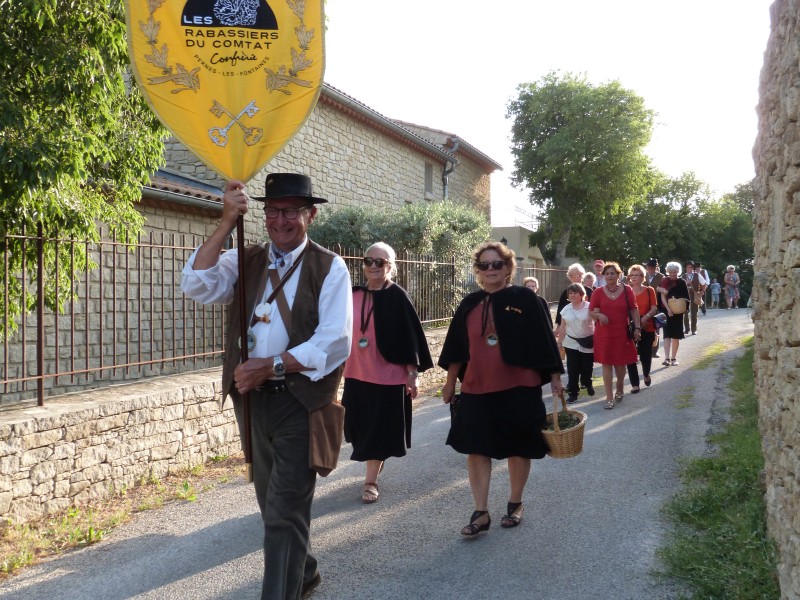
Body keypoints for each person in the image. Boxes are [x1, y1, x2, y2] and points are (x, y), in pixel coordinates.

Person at [181, 173, 352, 600]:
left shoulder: (330, 267)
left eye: (291, 211)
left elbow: (334, 342)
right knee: (271, 504)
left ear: (310, 215)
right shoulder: (246, 257)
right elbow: (196, 284)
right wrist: (224, 222)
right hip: (253, 404)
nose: (281, 220)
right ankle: (306, 570)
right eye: (273, 210)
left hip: (301, 402)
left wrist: (271, 366)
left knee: (283, 511)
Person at [439, 242, 564, 536]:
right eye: (484, 265)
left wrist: (556, 376)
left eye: (497, 264)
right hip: (476, 388)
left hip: (520, 386)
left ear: (508, 268)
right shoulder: (469, 303)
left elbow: (545, 338)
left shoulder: (526, 298)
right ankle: (480, 512)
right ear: (478, 270)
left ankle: (515, 502)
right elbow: (456, 347)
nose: (491, 269)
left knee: (519, 446)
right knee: (476, 448)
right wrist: (449, 382)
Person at [342, 242, 433, 504]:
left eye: (380, 262)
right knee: (356, 429)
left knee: (377, 430)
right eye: (369, 260)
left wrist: (412, 375)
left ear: (391, 266)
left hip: (387, 377)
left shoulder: (397, 296)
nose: (373, 266)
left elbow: (410, 339)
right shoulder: (352, 294)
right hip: (355, 374)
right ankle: (375, 461)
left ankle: (370, 481)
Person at [589, 261, 640, 409]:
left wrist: (637, 328)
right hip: (604, 334)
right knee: (606, 364)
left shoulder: (627, 290)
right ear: (603, 276)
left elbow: (634, 310)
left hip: (622, 332)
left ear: (619, 275)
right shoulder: (598, 292)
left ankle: (619, 387)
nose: (609, 276)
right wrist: (599, 316)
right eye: (607, 273)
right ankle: (609, 398)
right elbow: (591, 311)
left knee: (620, 364)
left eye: (613, 273)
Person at [554, 283, 594, 403]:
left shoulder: (589, 307)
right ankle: (573, 392)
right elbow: (562, 327)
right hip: (571, 342)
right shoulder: (566, 309)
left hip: (588, 342)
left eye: (575, 293)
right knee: (572, 369)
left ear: (582, 295)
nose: (572, 295)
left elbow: (597, 323)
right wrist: (560, 342)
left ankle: (587, 382)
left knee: (586, 368)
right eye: (570, 293)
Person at [626, 264, 658, 390]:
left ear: (642, 277)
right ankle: (634, 384)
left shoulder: (650, 290)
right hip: (630, 327)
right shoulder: (626, 291)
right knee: (630, 354)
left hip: (648, 326)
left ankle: (646, 374)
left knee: (646, 354)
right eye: (632, 275)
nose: (634, 277)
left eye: (637, 275)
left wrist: (645, 317)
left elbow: (654, 308)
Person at [656, 261, 690, 366]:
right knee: (667, 335)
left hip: (678, 312)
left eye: (675, 272)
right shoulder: (664, 281)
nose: (673, 274)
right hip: (666, 311)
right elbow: (662, 297)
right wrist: (668, 309)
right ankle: (666, 358)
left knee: (676, 336)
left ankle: (674, 358)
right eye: (671, 272)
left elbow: (686, 297)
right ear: (667, 272)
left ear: (678, 272)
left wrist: (685, 308)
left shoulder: (682, 282)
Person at [555, 263, 592, 330]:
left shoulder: (589, 291)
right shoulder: (565, 292)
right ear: (570, 278)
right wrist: (559, 326)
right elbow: (561, 309)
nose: (576, 278)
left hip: (586, 324)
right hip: (570, 324)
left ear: (582, 276)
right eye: (573, 276)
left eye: (578, 275)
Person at [644, 258, 664, 358]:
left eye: (653, 268)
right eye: (649, 268)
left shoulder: (661, 277)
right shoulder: (644, 276)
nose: (650, 270)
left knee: (656, 327)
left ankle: (654, 350)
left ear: (656, 268)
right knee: (645, 327)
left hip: (657, 305)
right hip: (644, 304)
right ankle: (644, 350)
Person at [682, 261, 707, 335]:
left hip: (695, 295)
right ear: (686, 268)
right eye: (688, 267)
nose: (689, 268)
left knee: (694, 312)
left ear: (693, 268)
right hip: (685, 295)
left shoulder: (697, 275)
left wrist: (702, 291)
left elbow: (704, 283)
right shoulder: (683, 276)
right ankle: (686, 329)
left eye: (691, 267)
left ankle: (694, 329)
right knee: (685, 312)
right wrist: (686, 283)